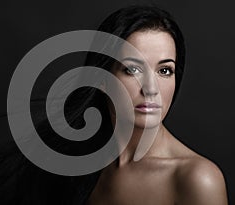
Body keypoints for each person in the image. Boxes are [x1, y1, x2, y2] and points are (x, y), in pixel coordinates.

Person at [28, 5, 228, 205]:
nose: (151, 89)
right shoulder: (77, 161)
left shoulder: (198, 179)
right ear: (101, 78)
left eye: (165, 71)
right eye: (132, 69)